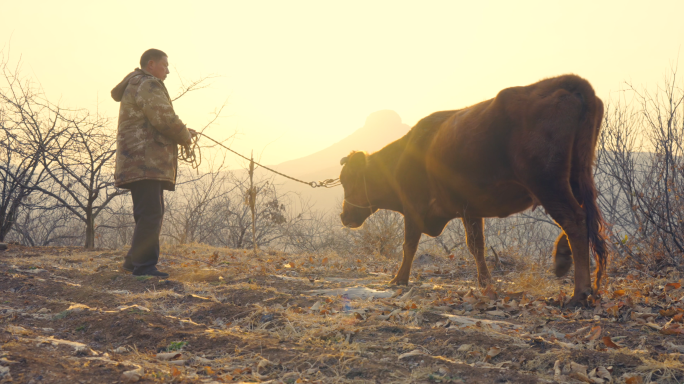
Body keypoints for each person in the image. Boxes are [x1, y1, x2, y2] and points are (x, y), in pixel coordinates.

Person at [111, 48, 197, 277]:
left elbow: (152, 120)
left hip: (138, 161)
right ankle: (145, 267)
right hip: (146, 161)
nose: (168, 70)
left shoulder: (136, 84)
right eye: (165, 65)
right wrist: (184, 135)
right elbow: (164, 118)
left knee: (148, 212)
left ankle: (133, 262)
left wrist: (183, 132)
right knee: (150, 213)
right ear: (151, 64)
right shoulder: (148, 84)